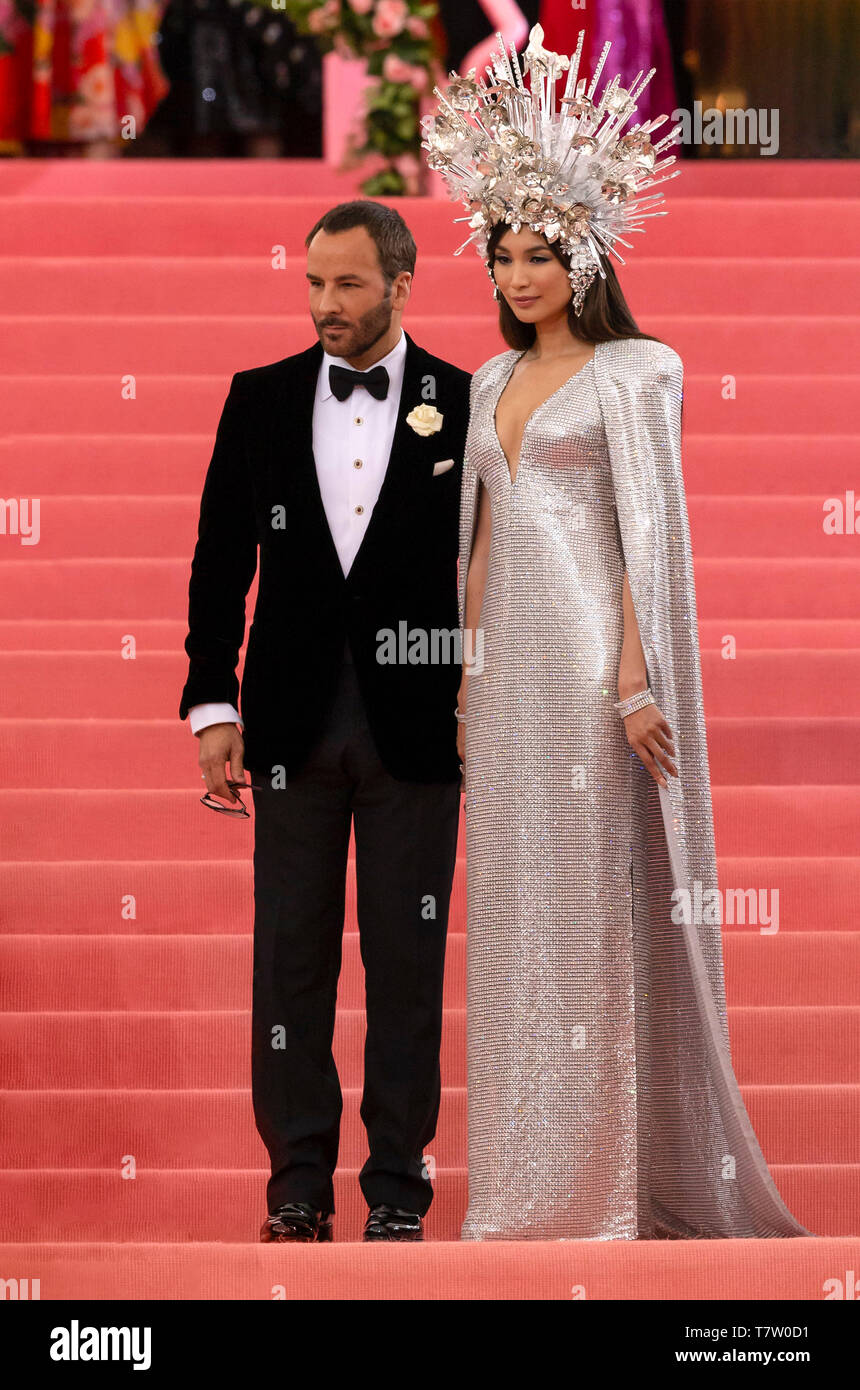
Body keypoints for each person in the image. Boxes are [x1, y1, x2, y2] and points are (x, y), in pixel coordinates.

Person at [423, 25, 813, 1240]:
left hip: (597, 668)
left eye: (540, 253)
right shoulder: (483, 387)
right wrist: (460, 670)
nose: (518, 274)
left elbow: (650, 535)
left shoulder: (639, 369)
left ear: (584, 256)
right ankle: (522, 1188)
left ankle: (602, 1192)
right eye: (503, 253)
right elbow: (476, 543)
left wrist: (637, 682)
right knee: (510, 927)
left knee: (591, 915)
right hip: (504, 678)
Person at [179, 201, 471, 1242]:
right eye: (311, 284)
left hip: (420, 726)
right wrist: (212, 700)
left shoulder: (463, 400)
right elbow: (220, 561)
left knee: (408, 961)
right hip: (289, 722)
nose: (323, 306)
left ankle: (396, 1187)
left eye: (346, 285)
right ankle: (294, 1183)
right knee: (289, 958)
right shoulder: (257, 400)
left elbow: (492, 566)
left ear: (401, 284)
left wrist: (477, 685)